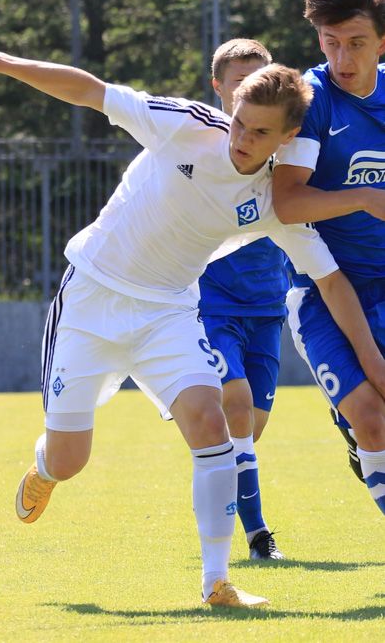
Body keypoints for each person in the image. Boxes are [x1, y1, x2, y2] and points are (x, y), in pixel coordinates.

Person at [0, 39, 385, 607]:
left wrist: (370, 358)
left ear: (288, 138)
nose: (241, 140)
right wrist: (4, 64)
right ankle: (45, 466)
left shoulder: (276, 199)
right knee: (71, 460)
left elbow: (328, 279)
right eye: (239, 123)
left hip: (167, 313)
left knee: (212, 423)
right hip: (91, 301)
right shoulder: (185, 124)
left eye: (259, 133)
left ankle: (217, 582)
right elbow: (89, 91)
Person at [273, 0, 385, 512]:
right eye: (330, 41)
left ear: (383, 43)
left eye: (356, 42)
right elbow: (288, 203)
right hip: (324, 290)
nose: (342, 56)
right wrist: (363, 198)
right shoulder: (312, 100)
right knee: (372, 418)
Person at [198, 39, 287, 561]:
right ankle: (257, 535)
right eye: (238, 83)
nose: (249, 92)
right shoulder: (205, 147)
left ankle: (215, 473)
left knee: (251, 425)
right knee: (233, 405)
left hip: (268, 305)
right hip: (212, 303)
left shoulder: (283, 144)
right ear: (219, 88)